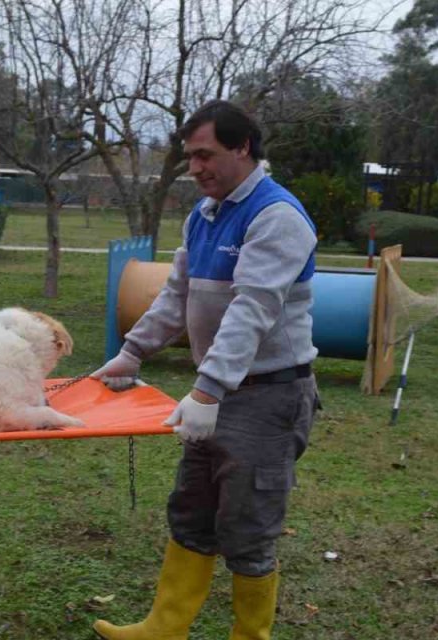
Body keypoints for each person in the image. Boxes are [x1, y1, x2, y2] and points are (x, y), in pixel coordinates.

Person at [90, 100, 320, 640]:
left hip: (268, 397)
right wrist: (133, 351)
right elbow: (176, 297)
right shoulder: (204, 215)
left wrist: (209, 390)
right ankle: (164, 628)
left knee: (247, 527)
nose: (194, 168)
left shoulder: (276, 216)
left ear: (242, 147)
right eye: (189, 157)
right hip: (215, 394)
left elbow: (253, 310)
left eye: (204, 155)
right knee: (191, 513)